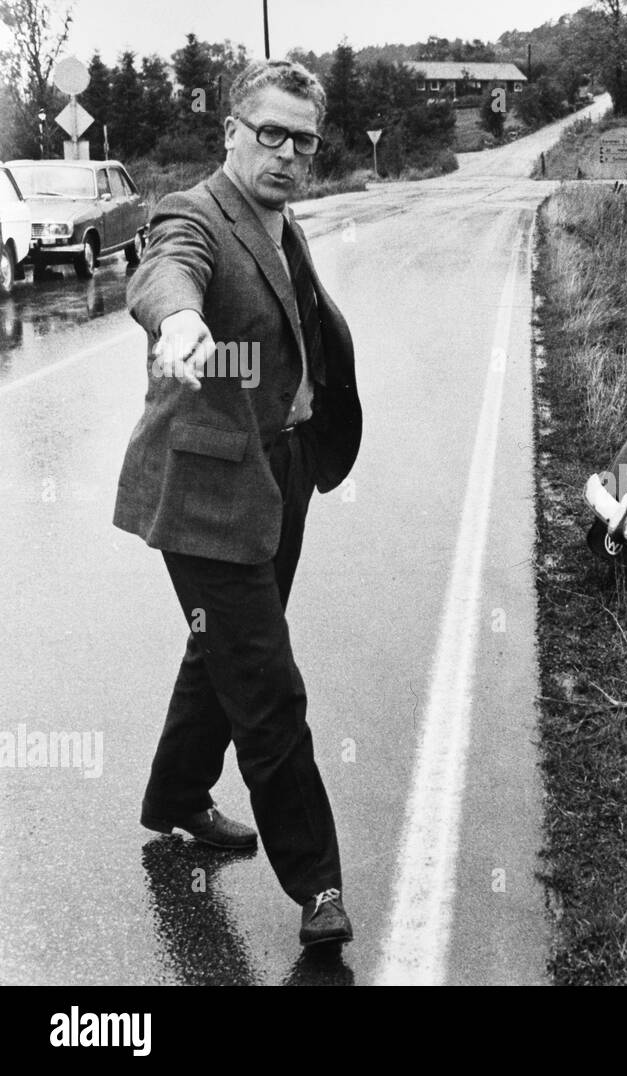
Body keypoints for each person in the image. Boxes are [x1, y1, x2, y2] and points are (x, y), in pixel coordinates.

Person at [113, 59, 362, 947]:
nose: (290, 153)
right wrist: (179, 321)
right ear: (231, 132)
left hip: (278, 472)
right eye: (272, 134)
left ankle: (176, 795)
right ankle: (318, 884)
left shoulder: (279, 217)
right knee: (266, 686)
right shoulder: (194, 212)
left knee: (219, 651)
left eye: (305, 140)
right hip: (210, 489)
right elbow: (164, 272)